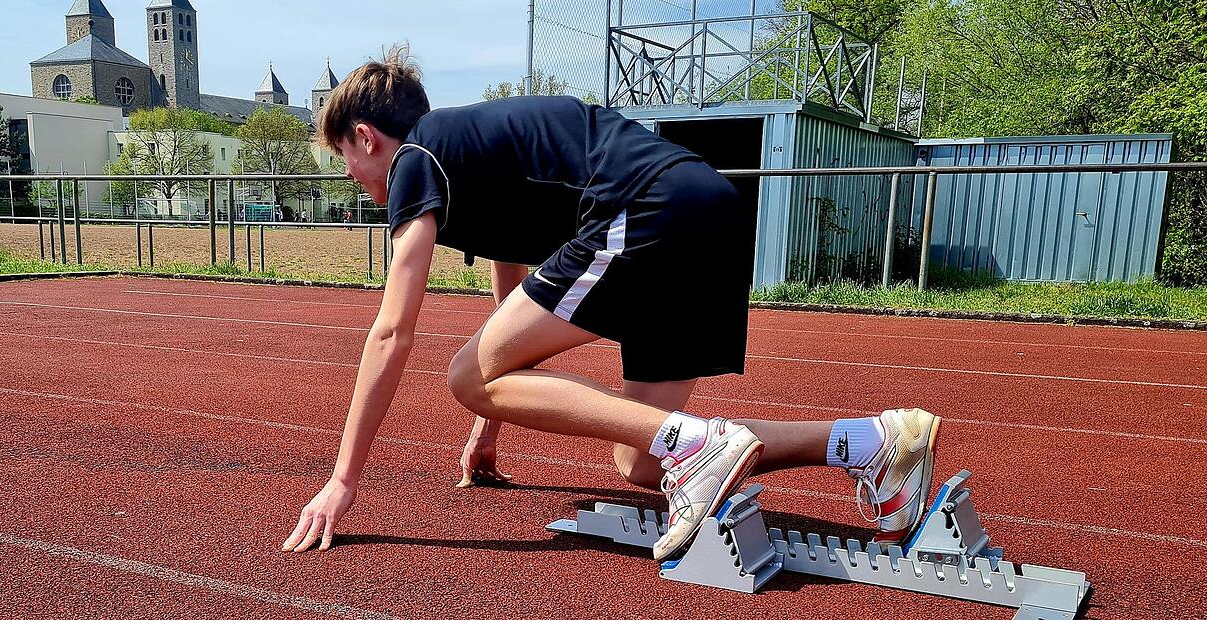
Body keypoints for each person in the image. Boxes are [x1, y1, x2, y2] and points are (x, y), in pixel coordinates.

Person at [283, 46, 944, 561]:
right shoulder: (469, 157)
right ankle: (872, 442)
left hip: (649, 206)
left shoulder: (414, 158)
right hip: (707, 213)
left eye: (343, 158)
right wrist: (492, 421)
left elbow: (392, 332)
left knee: (465, 375)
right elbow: (512, 284)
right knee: (644, 459)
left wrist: (343, 481)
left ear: (366, 137)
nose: (351, 177)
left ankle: (701, 445)